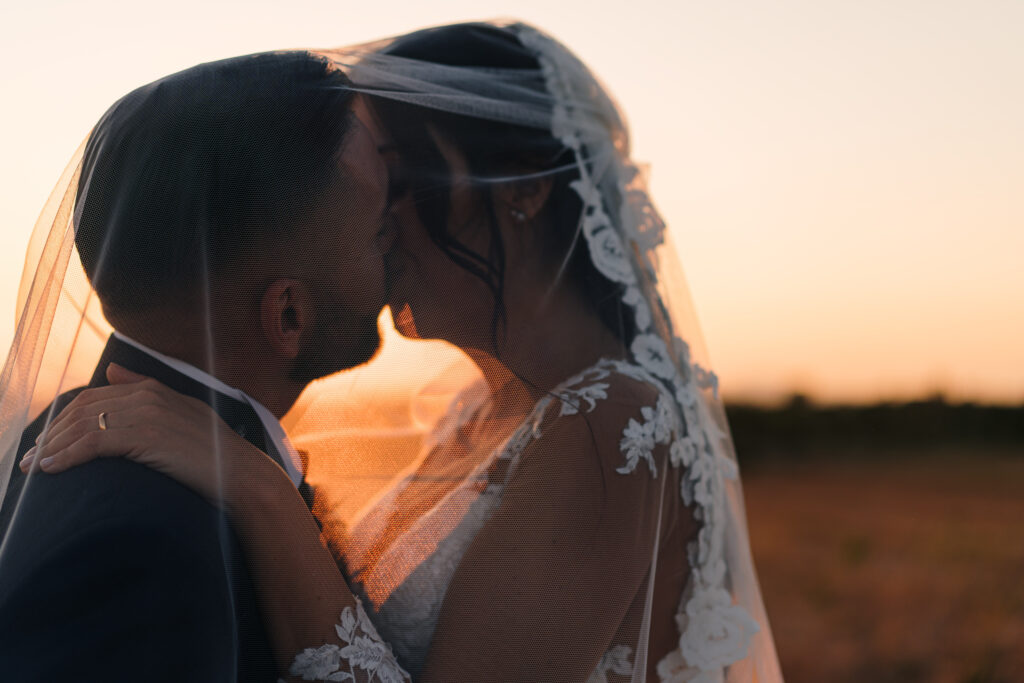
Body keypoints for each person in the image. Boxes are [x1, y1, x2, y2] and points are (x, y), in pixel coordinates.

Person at [8, 21, 784, 682]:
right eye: (368, 188)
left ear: (520, 187)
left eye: (402, 179)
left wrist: (256, 488)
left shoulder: (612, 425)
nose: (379, 220)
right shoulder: (477, 414)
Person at [0, 51, 395, 681]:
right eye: (377, 234)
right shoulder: (148, 549)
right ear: (286, 316)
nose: (398, 252)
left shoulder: (64, 427)